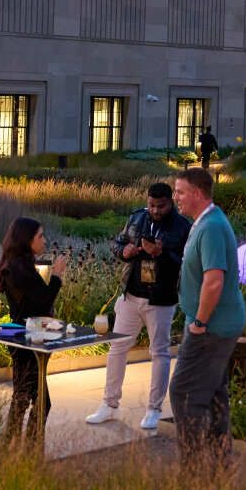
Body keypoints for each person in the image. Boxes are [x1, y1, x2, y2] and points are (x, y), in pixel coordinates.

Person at [87, 182, 190, 431]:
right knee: (117, 348)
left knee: (160, 352)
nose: (154, 210)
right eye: (151, 205)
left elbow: (186, 263)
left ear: (171, 203)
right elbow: (117, 243)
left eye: (160, 206)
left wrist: (161, 253)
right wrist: (125, 251)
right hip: (131, 294)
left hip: (161, 298)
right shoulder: (137, 217)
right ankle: (109, 404)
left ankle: (154, 409)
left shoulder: (183, 226)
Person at [169, 167, 242, 469]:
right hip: (215, 324)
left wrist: (198, 322)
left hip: (210, 328)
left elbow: (214, 280)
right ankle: (219, 461)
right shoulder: (206, 222)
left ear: (198, 193)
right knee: (213, 392)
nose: (176, 198)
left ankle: (195, 469)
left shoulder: (211, 226)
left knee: (184, 393)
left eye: (180, 192)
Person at [0, 216, 68, 443]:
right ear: (27, 240)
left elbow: (34, 299)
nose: (44, 241)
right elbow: (41, 302)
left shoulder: (21, 264)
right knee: (37, 400)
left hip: (30, 338)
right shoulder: (18, 268)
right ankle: (28, 449)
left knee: (24, 397)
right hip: (26, 340)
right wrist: (56, 276)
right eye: (40, 236)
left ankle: (16, 445)